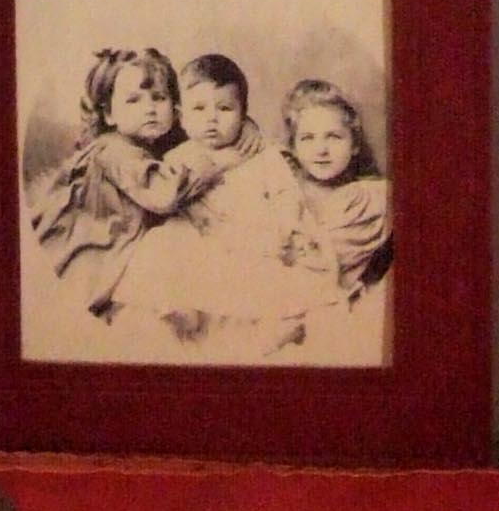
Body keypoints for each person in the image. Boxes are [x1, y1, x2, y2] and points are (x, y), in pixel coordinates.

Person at [111, 53, 308, 349]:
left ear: (243, 114)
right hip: (201, 240)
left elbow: (286, 192)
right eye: (199, 108)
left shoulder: (260, 153)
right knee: (162, 241)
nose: (212, 118)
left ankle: (271, 328)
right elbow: (166, 203)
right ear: (181, 116)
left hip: (252, 237)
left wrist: (286, 228)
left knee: (269, 280)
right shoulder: (178, 156)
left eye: (225, 108)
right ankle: (179, 308)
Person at [26, 47, 197, 315]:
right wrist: (213, 162)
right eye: (133, 100)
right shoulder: (116, 151)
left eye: (159, 97)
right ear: (109, 115)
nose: (150, 109)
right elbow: (164, 195)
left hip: (119, 241)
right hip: (103, 254)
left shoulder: (142, 146)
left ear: (175, 109)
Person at [277, 80, 392, 342]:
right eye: (307, 138)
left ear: (354, 145)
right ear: (293, 147)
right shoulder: (284, 193)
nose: (321, 150)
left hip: (332, 311)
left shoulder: (369, 199)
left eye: (334, 137)